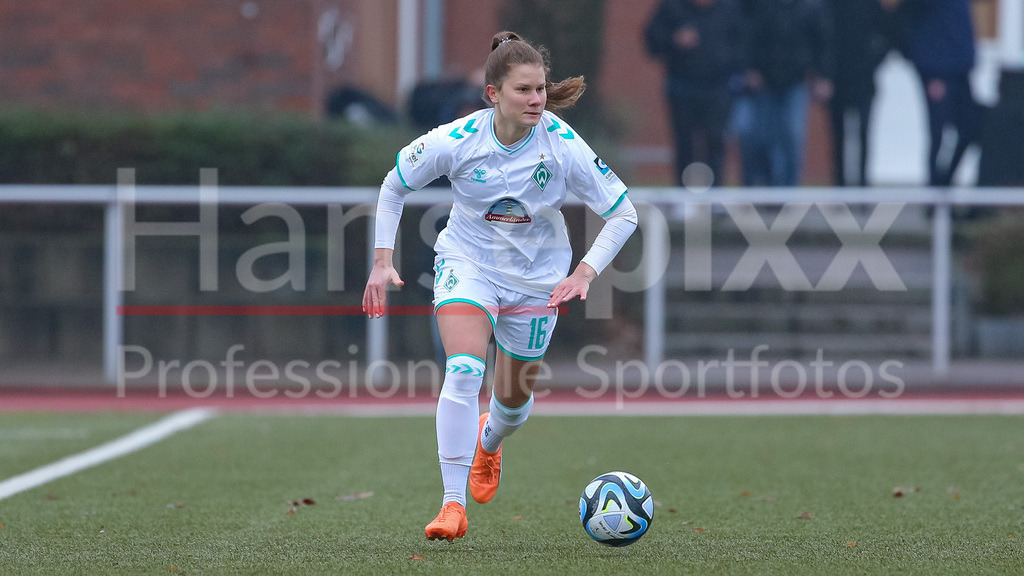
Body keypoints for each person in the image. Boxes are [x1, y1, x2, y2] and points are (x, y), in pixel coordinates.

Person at [362, 31, 638, 541]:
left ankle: (490, 440)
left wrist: (584, 272)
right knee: (464, 369)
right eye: (524, 90)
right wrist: (382, 261)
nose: (536, 99)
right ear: (493, 94)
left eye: (541, 89)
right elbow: (393, 185)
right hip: (468, 264)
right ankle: (452, 505)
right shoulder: (457, 139)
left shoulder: (561, 144)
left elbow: (623, 213)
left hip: (537, 282)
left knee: (511, 406)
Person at [644, 0, 747, 187]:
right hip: (682, 89)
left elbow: (743, 43)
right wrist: (674, 39)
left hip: (718, 89)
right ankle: (684, 194)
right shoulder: (672, 7)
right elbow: (652, 40)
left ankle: (715, 194)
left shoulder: (729, 9)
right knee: (685, 145)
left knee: (716, 143)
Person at [734, 0, 834, 186]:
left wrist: (822, 76)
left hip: (796, 80)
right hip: (765, 80)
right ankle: (768, 187)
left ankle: (788, 190)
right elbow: (750, 36)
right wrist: (750, 69)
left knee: (792, 136)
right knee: (764, 137)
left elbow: (821, 42)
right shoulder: (762, 6)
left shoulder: (810, 7)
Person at [890, 0, 978, 187]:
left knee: (969, 128)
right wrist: (925, 66)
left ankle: (944, 183)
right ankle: (934, 189)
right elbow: (902, 19)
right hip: (936, 72)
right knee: (939, 133)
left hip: (961, 70)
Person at [828, 0, 890, 187]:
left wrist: (872, 62)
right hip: (837, 79)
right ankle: (840, 186)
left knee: (863, 134)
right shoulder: (832, 5)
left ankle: (863, 185)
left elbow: (888, 34)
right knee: (838, 137)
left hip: (863, 79)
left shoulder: (871, 5)